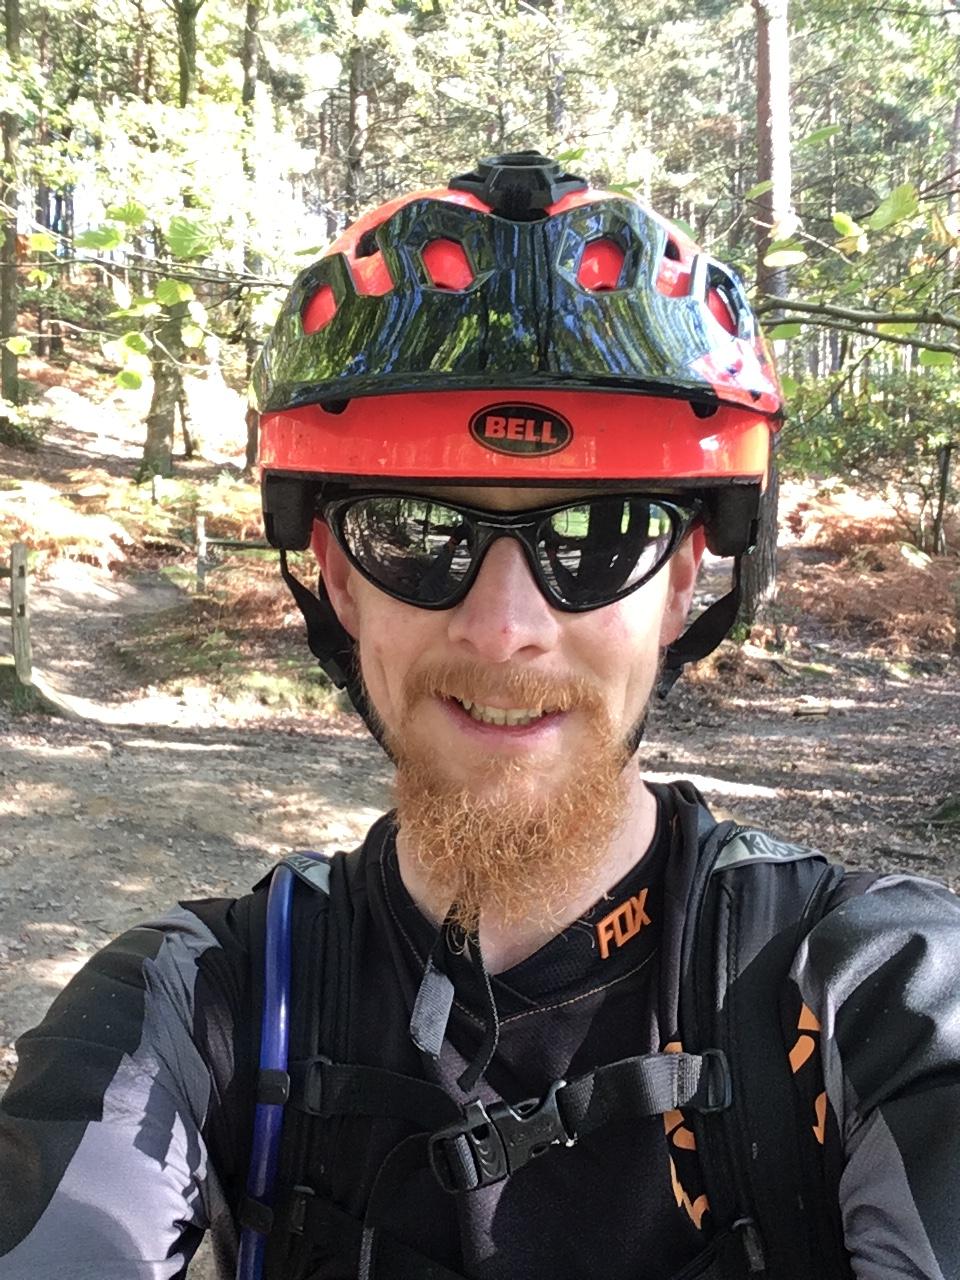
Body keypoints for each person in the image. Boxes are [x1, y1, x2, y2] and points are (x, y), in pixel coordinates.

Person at [1, 151, 958, 1280]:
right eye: (414, 531)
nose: (504, 627)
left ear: (686, 582)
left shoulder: (878, 990)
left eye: (595, 539)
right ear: (338, 580)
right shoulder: (193, 1003)